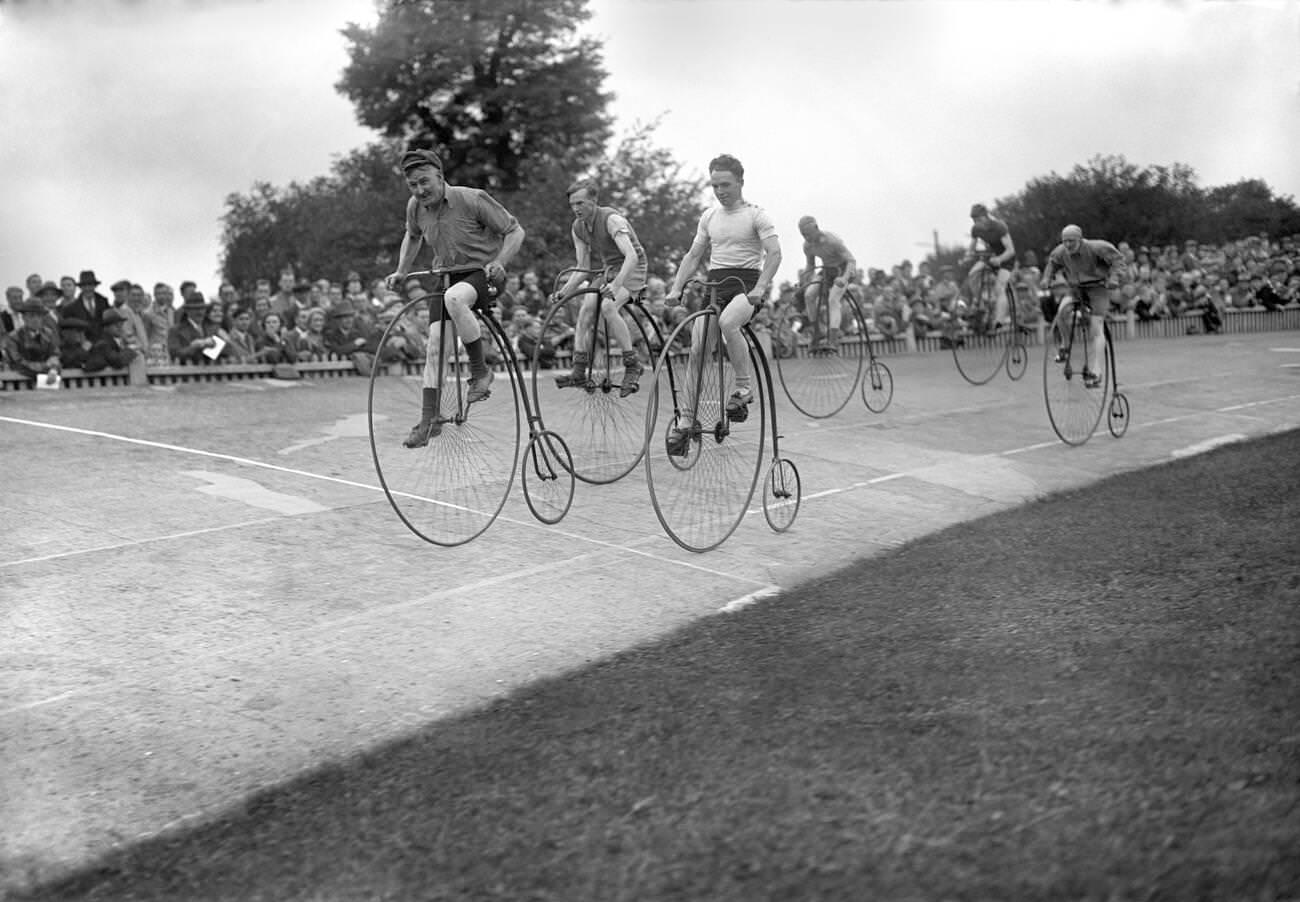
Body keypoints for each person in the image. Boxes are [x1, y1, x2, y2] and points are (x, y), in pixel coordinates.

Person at [385, 146, 525, 448]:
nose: (420, 190)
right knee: (434, 348)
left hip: (482, 274)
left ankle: (480, 372)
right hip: (446, 275)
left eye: (425, 182)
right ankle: (429, 419)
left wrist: (499, 262)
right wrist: (400, 271)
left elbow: (515, 231)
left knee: (454, 299)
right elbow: (412, 236)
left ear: (440, 176)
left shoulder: (471, 198)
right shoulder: (415, 207)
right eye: (413, 185)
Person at [662, 153, 781, 456]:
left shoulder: (756, 215)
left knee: (729, 323)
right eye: (715, 185)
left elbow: (774, 253)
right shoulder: (709, 217)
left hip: (745, 286)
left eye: (726, 184)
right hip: (714, 286)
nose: (720, 190)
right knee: (698, 349)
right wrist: (676, 289)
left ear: (740, 182)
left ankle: (743, 388)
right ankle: (686, 420)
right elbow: (693, 256)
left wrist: (761, 287)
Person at [552, 179, 648, 396]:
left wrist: (616, 285)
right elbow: (583, 267)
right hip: (609, 270)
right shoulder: (578, 228)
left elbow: (631, 256)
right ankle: (578, 370)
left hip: (632, 268)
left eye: (581, 203)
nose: (576, 209)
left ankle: (632, 365)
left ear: (594, 200)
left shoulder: (612, 219)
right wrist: (564, 291)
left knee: (608, 307)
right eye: (573, 205)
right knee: (585, 310)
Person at [1040, 224, 1125, 389]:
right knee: (1061, 311)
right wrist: (1047, 278)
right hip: (1076, 288)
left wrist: (1114, 278)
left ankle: (1097, 371)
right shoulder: (1061, 251)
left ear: (1080, 239)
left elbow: (1118, 260)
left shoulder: (1097, 247)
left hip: (1097, 288)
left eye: (1071, 241)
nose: (1068, 245)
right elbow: (1052, 264)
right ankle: (1065, 346)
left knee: (1096, 327)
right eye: (1065, 241)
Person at [796, 215, 857, 351]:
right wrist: (805, 279)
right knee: (809, 295)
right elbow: (811, 265)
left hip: (843, 269)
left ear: (816, 228)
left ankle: (833, 339)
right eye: (803, 235)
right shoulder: (807, 246)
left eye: (808, 234)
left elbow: (851, 261)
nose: (807, 238)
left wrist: (844, 278)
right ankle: (817, 332)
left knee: (833, 299)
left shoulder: (832, 241)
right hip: (827, 271)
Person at [964, 203, 1017, 331]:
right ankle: (981, 303)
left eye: (979, 219)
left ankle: (999, 321)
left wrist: (999, 259)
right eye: (974, 220)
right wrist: (968, 255)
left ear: (986, 216)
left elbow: (1011, 250)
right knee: (972, 274)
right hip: (989, 256)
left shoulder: (999, 227)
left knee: (1000, 288)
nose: (976, 222)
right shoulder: (976, 228)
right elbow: (972, 245)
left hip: (1005, 259)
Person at [2, 299, 60, 380]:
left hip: (47, 379)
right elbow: (17, 361)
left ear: (43, 318)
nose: (35, 319)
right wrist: (44, 366)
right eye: (31, 315)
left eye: (39, 315)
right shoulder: (14, 336)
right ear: (24, 317)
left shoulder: (48, 333)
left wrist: (53, 367)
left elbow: (55, 353)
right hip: (19, 381)